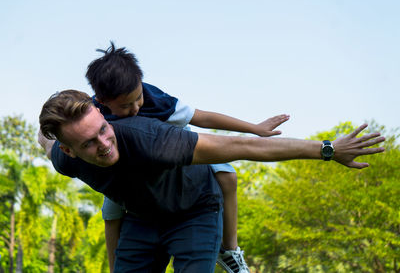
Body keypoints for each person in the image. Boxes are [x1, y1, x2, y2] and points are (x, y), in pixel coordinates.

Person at [39, 89, 385, 272]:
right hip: (142, 219)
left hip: (193, 211)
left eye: (103, 129)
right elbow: (45, 140)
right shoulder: (64, 159)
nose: (104, 144)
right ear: (68, 150)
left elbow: (244, 146)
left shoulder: (153, 139)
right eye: (88, 143)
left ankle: (229, 251)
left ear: (104, 115)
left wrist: (327, 149)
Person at [86, 42, 289, 273]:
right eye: (126, 105)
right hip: (128, 174)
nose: (135, 108)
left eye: (138, 98)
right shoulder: (92, 114)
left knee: (227, 177)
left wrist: (254, 128)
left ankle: (230, 249)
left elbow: (201, 117)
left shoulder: (155, 99)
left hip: (178, 152)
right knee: (111, 211)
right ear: (102, 102)